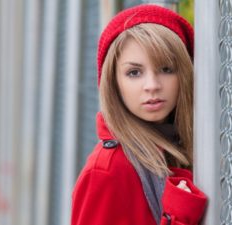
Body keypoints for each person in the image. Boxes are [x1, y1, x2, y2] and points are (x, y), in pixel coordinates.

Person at [71, 4, 207, 225]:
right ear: (114, 83)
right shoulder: (107, 171)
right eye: (134, 73)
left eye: (166, 69)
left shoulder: (186, 147)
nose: (152, 85)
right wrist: (178, 216)